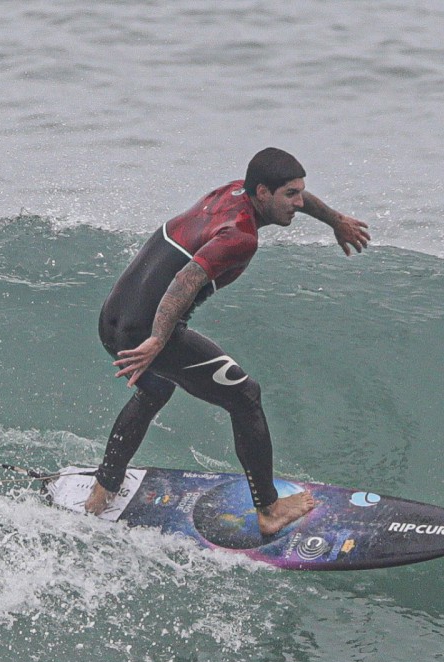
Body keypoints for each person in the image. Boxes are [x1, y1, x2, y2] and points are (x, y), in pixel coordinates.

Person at [86, 147, 370, 535]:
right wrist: (156, 341)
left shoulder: (234, 191)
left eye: (301, 192)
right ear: (263, 194)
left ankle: (104, 488)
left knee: (154, 391)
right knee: (245, 396)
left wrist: (335, 220)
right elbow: (184, 282)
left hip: (112, 319)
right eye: (290, 195)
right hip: (146, 333)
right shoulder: (239, 237)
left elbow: (300, 202)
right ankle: (269, 510)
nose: (299, 202)